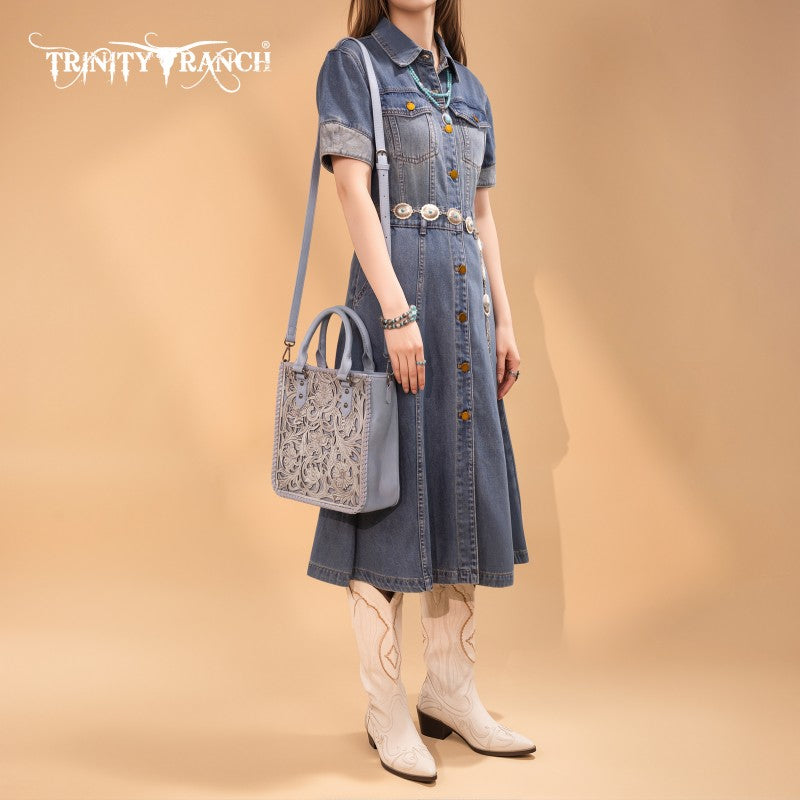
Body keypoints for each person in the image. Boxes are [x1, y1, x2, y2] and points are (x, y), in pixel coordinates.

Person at [307, 0, 535, 782]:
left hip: (466, 316)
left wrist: (504, 320)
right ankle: (385, 707)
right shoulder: (354, 66)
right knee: (387, 497)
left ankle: (450, 691)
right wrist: (397, 311)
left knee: (459, 488)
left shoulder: (470, 88)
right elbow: (352, 193)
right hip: (396, 308)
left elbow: (482, 215)